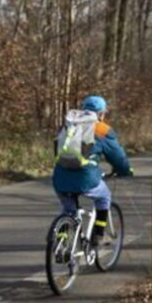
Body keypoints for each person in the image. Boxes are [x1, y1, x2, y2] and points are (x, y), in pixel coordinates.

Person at [52, 95, 133, 242]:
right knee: (104, 197)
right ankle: (99, 234)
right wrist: (125, 171)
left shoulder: (68, 124)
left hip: (60, 177)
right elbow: (118, 157)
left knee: (68, 210)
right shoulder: (102, 129)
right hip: (85, 178)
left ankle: (60, 242)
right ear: (101, 113)